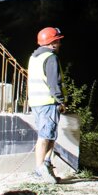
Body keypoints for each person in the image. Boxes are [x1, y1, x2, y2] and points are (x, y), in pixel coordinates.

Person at [29, 26, 65, 183]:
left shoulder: (34, 57)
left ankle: (46, 166)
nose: (60, 43)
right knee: (45, 137)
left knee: (48, 136)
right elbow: (53, 82)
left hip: (37, 102)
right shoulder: (50, 58)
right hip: (48, 102)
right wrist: (60, 100)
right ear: (52, 42)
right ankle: (40, 169)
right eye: (58, 40)